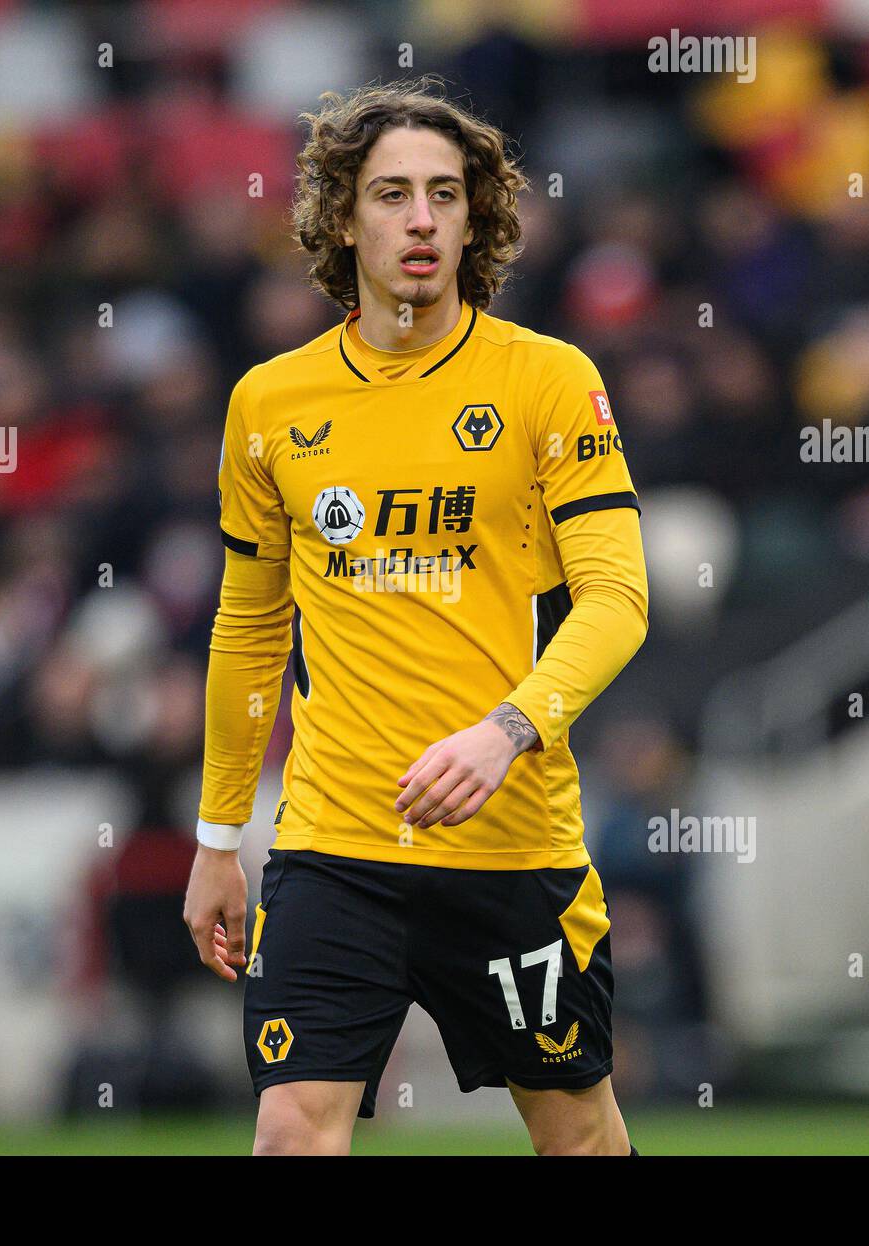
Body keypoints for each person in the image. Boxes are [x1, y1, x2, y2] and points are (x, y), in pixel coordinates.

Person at [183, 76, 649, 1156]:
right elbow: (249, 629)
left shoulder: (546, 379)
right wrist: (218, 836)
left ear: (478, 216)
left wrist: (509, 729)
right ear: (341, 217)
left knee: (577, 1132)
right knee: (293, 1128)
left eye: (446, 193)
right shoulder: (271, 402)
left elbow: (618, 597)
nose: (423, 219)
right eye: (391, 194)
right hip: (333, 842)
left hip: (510, 842)